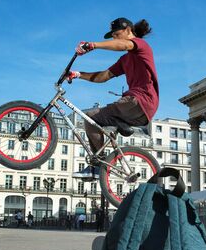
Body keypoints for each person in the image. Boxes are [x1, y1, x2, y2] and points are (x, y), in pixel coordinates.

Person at [68, 18, 159, 180]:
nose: (115, 39)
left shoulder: (141, 46)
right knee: (93, 119)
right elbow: (103, 76)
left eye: (117, 35)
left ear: (128, 30)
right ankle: (118, 127)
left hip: (140, 101)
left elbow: (124, 45)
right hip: (136, 108)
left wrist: (93, 45)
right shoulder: (125, 60)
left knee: (92, 116)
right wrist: (79, 74)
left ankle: (98, 165)